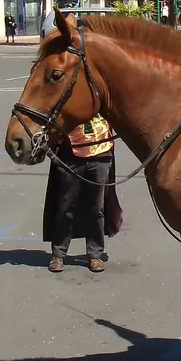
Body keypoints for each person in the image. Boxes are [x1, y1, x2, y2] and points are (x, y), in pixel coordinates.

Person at [42, 114, 122, 273]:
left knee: (96, 208)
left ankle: (95, 255)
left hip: (101, 153)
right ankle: (58, 254)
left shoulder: (104, 94)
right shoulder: (71, 97)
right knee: (66, 207)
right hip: (71, 154)